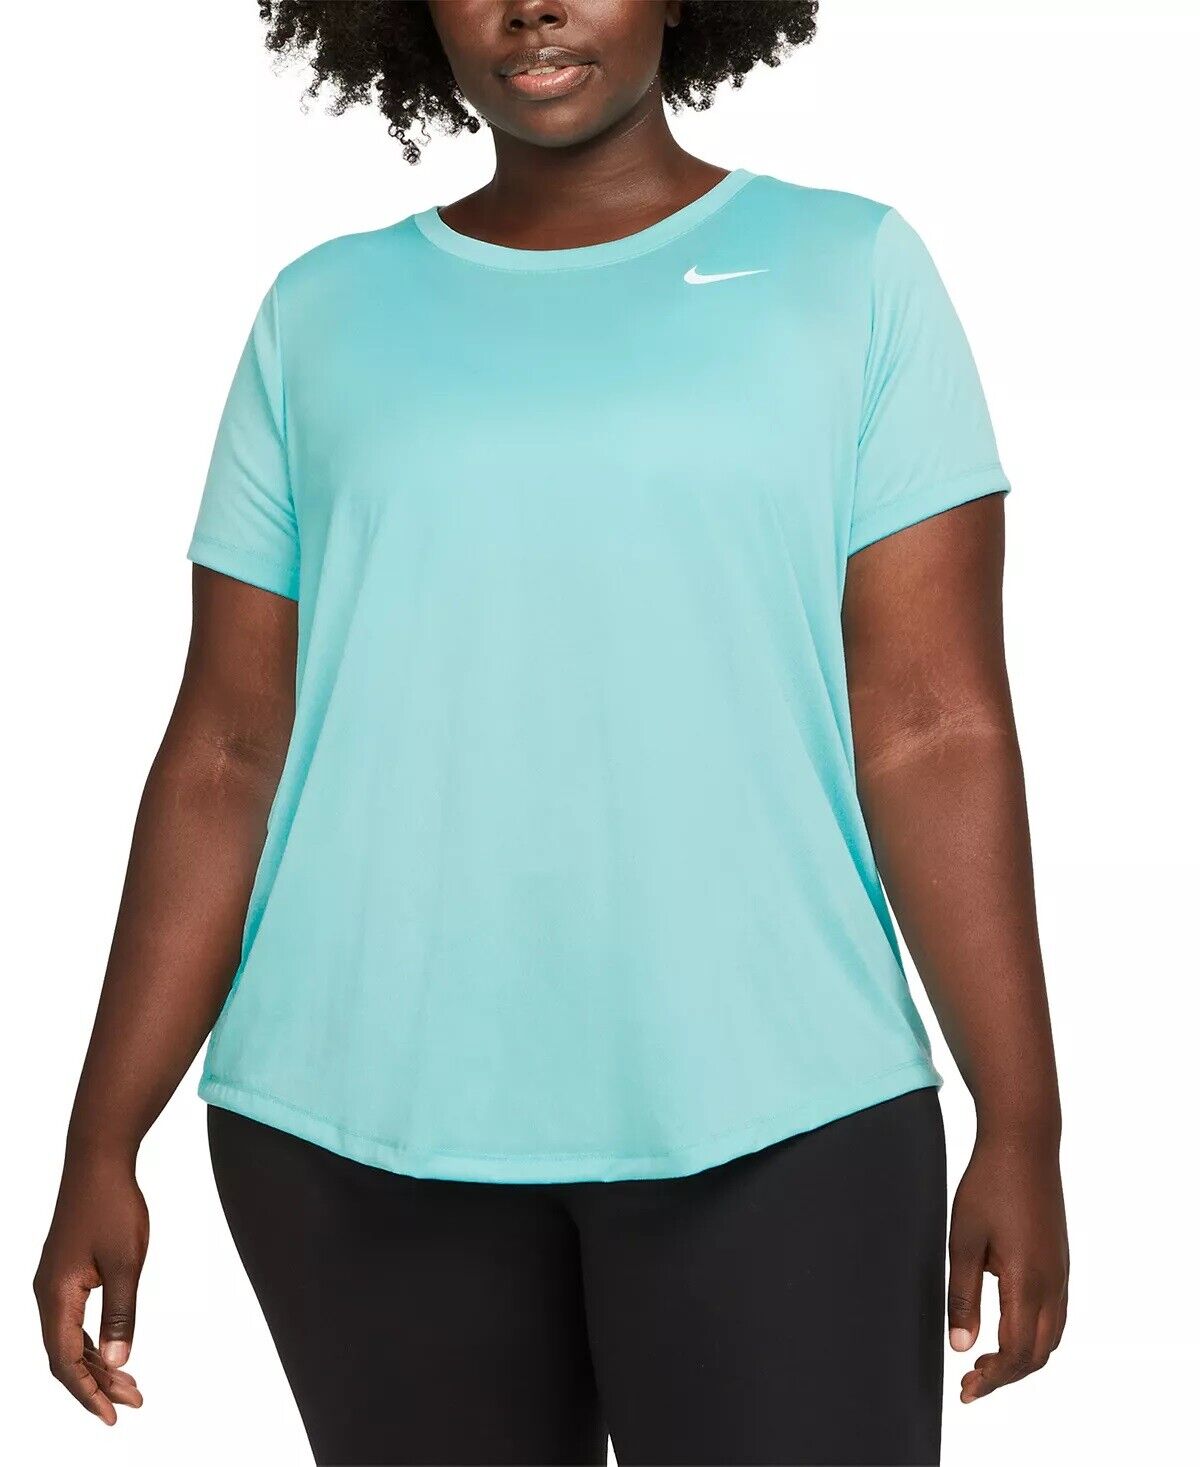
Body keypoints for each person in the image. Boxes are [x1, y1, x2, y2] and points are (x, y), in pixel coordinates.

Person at [34, 4, 1069, 1464]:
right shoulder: (320, 313)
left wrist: (1022, 1118)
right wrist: (102, 1135)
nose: (532, 4)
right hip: (353, 1125)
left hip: (782, 1107)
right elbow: (225, 751)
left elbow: (930, 724)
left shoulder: (848, 273)